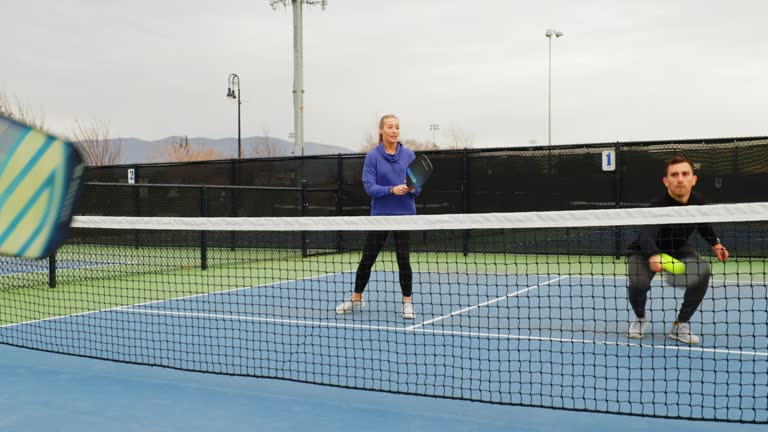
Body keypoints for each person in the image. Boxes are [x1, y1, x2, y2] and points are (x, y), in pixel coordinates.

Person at [626, 155, 729, 344]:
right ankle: (640, 318)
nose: (680, 179)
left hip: (678, 251)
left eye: (684, 174)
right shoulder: (657, 204)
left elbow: (703, 224)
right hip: (646, 252)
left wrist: (715, 243)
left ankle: (680, 324)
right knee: (637, 284)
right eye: (674, 175)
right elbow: (647, 235)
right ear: (666, 181)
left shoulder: (698, 201)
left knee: (701, 271)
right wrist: (654, 255)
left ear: (693, 179)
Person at [335, 114, 420, 319]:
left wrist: (411, 187)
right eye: (390, 127)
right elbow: (370, 187)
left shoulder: (409, 156)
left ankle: (407, 302)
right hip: (380, 216)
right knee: (367, 259)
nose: (394, 131)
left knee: (403, 259)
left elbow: (418, 186)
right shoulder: (372, 157)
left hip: (404, 215)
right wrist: (392, 190)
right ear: (381, 130)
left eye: (397, 127)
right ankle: (357, 298)